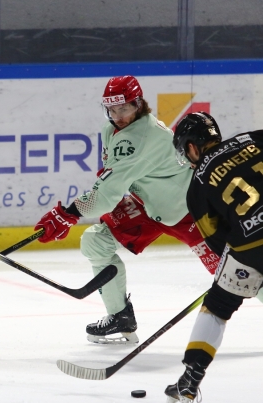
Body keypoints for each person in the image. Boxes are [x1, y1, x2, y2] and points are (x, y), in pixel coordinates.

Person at [34, 76, 219, 344]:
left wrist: (69, 213)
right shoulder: (111, 131)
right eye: (112, 109)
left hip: (188, 211)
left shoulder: (143, 137)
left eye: (124, 109)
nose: (117, 116)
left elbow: (108, 192)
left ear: (139, 104)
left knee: (241, 270)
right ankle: (119, 316)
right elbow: (113, 179)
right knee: (96, 241)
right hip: (147, 205)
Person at [165, 112, 263, 403]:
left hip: (251, 246)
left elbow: (219, 243)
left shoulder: (197, 187)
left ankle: (190, 378)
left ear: (193, 147)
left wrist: (232, 273)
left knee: (217, 306)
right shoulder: (253, 138)